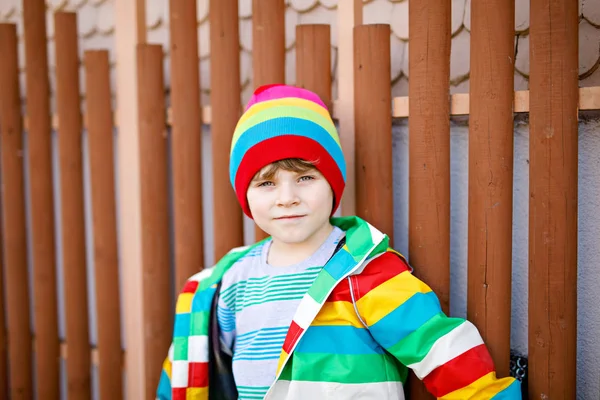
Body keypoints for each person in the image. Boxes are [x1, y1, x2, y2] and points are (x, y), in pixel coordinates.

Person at [156, 84, 522, 400]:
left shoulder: (366, 272)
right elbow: (191, 362)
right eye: (266, 183)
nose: (287, 197)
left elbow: (437, 346)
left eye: (304, 178)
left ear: (333, 184)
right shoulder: (231, 281)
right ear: (245, 196)